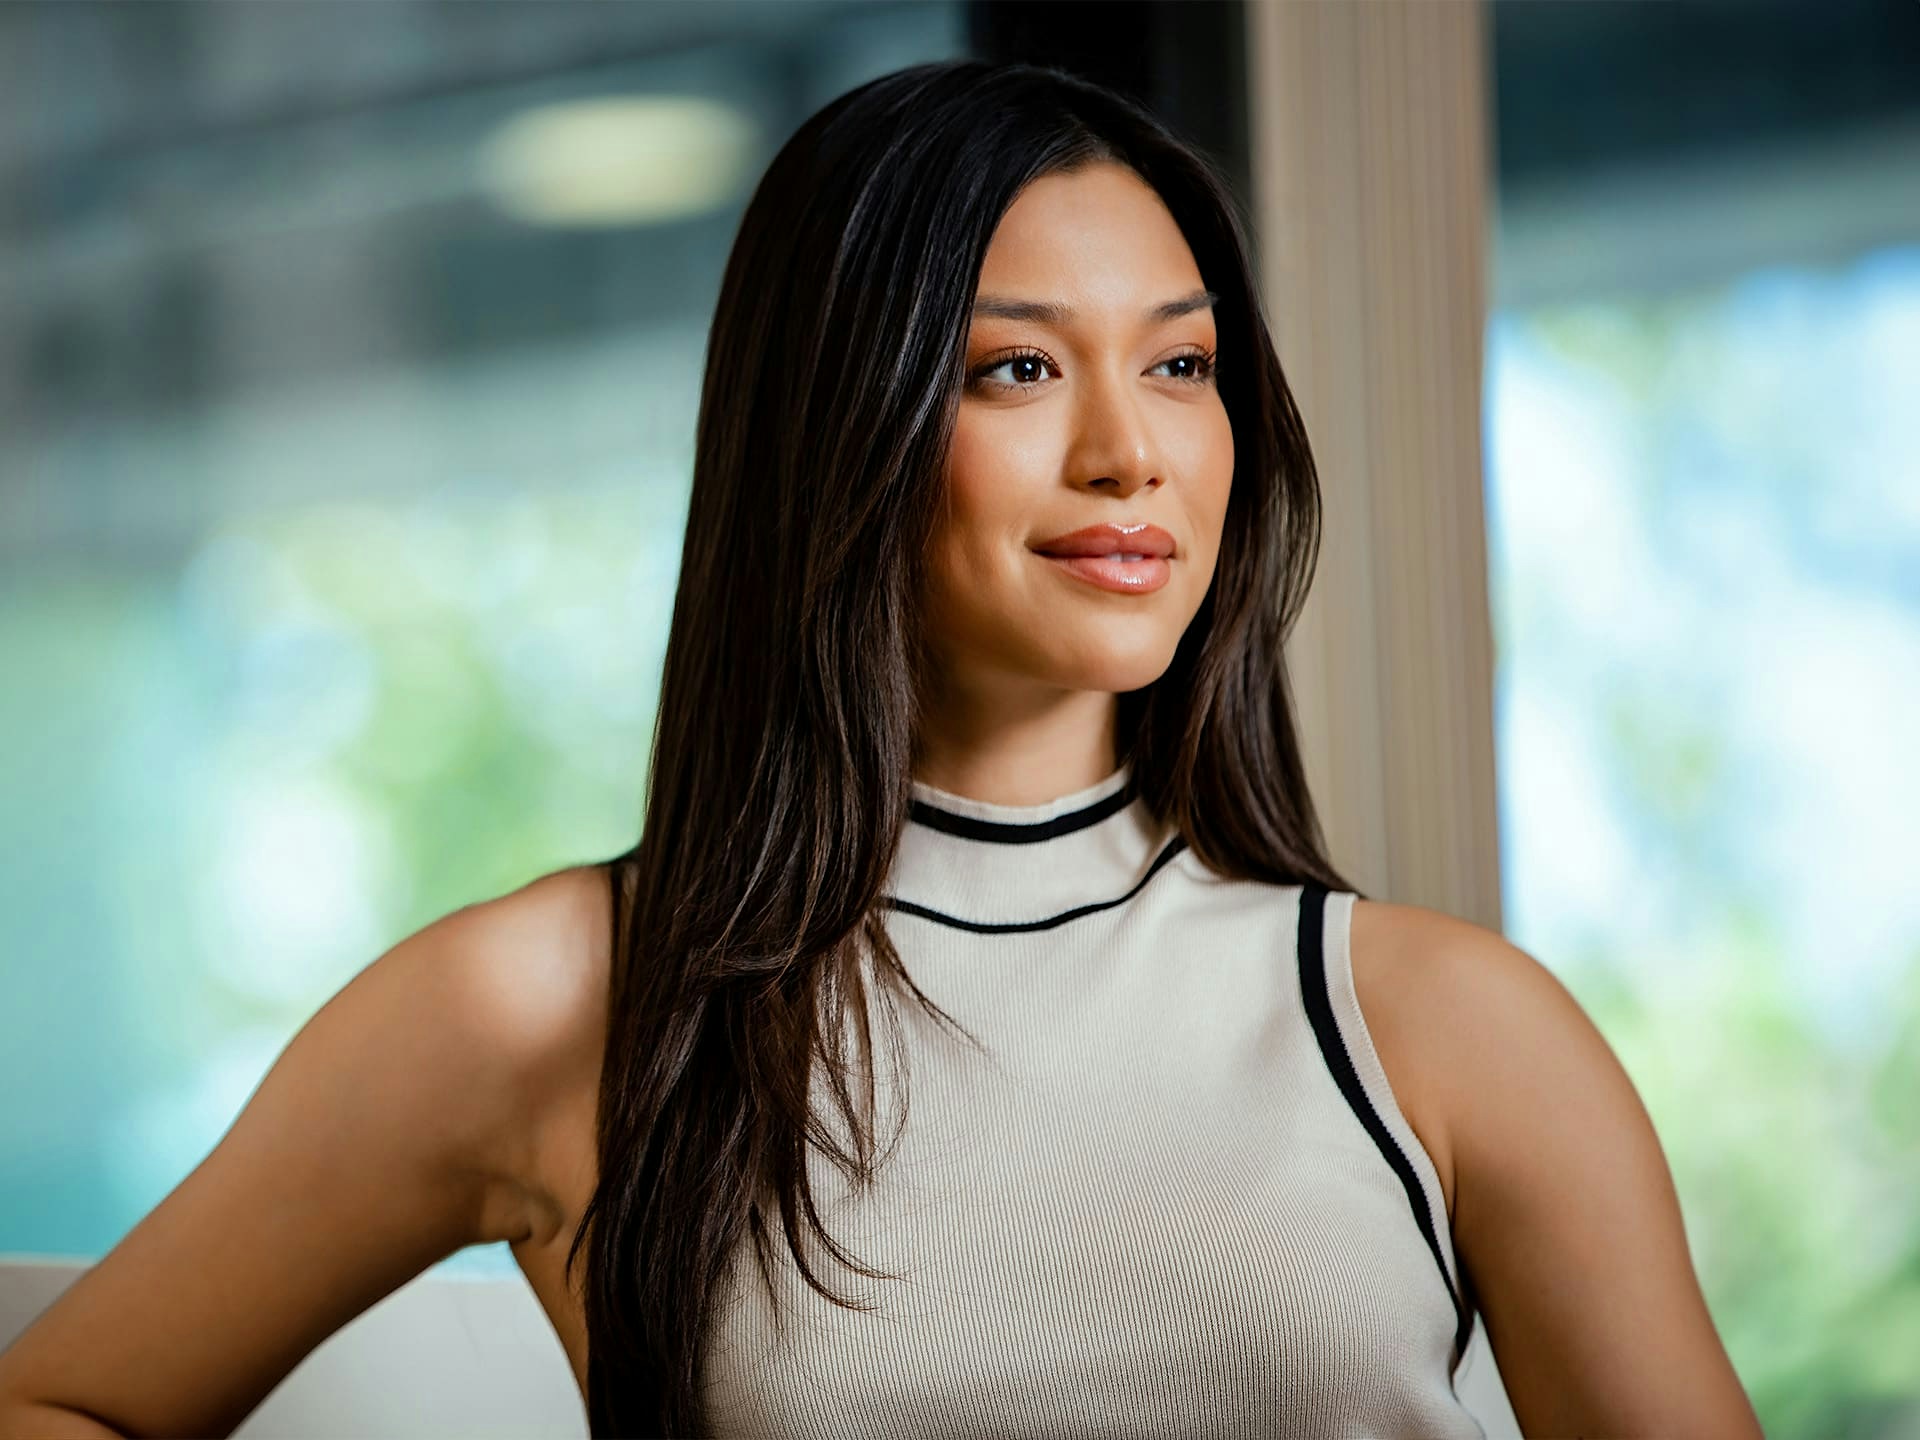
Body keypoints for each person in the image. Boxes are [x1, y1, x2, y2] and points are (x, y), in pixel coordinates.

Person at [0, 59, 1762, 1440]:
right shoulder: (559, 1003)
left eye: (1182, 367)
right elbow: (54, 1396)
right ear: (845, 417)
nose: (1127, 455)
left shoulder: (1447, 1028)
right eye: (1014, 371)